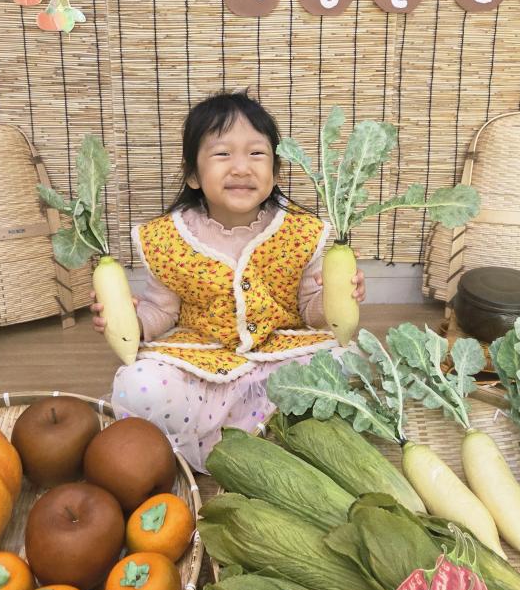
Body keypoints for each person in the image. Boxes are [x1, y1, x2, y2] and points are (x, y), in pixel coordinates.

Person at [91, 91, 365, 472]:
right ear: (193, 175)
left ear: (276, 172)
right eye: (222, 154)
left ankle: (274, 431)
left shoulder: (299, 232)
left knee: (349, 362)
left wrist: (338, 296)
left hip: (280, 359)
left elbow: (310, 311)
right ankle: (241, 437)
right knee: (138, 386)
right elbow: (160, 310)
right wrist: (130, 322)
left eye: (256, 154)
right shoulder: (170, 239)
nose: (241, 168)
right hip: (203, 363)